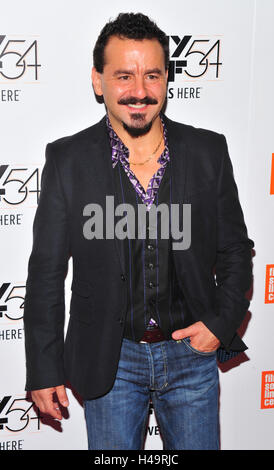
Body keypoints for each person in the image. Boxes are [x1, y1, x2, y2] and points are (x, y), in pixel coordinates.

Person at [23, 12, 254, 450]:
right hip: (111, 360)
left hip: (191, 355)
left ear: (167, 78)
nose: (139, 91)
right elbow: (46, 276)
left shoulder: (209, 152)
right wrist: (44, 370)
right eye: (123, 76)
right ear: (99, 81)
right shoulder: (67, 161)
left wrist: (220, 324)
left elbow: (236, 250)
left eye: (152, 75)